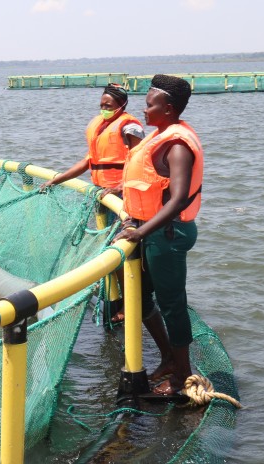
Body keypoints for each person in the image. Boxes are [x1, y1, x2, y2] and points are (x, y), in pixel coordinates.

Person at [111, 74, 204, 397]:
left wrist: (140, 232)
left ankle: (182, 379)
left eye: (150, 104)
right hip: (150, 230)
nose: (144, 110)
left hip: (167, 233)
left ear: (168, 107)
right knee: (139, 295)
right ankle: (168, 358)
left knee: (173, 305)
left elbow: (178, 198)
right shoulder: (159, 135)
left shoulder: (177, 144)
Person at [43, 82, 144, 324]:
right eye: (101, 105)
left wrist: (121, 185)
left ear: (122, 105)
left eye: (108, 106)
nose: (104, 110)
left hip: (122, 197)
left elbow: (142, 158)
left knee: (121, 250)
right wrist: (58, 179)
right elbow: (90, 160)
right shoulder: (100, 126)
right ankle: (117, 298)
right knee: (110, 248)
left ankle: (131, 304)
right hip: (102, 195)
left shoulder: (130, 125)